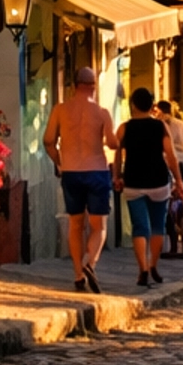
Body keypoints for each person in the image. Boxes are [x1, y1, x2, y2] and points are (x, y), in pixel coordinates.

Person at [42, 63, 118, 293]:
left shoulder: (60, 110)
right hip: (96, 171)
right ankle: (89, 263)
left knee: (75, 224)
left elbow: (48, 141)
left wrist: (60, 162)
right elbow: (113, 143)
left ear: (74, 86)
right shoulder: (102, 112)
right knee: (99, 226)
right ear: (93, 87)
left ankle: (77, 275)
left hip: (71, 171)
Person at [115, 87, 183, 286]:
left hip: (133, 181)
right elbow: (171, 156)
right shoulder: (161, 127)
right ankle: (153, 265)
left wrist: (117, 176)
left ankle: (142, 268)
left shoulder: (124, 128)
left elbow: (118, 154)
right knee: (157, 226)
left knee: (140, 227)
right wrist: (178, 180)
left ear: (133, 105)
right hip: (158, 181)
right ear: (151, 105)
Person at [158, 99, 183, 258]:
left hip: (168, 162)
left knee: (168, 204)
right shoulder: (182, 124)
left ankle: (173, 243)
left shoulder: (160, 124)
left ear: (160, 110)